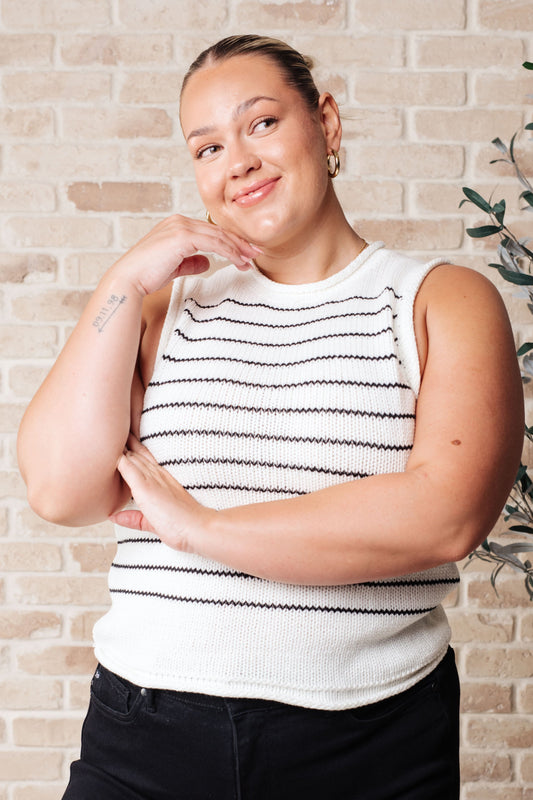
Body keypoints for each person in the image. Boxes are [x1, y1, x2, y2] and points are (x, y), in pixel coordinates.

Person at [17, 34, 523, 800]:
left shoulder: (440, 300)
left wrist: (202, 531)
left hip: (371, 743)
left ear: (325, 123)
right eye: (208, 146)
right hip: (144, 731)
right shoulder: (161, 307)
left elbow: (442, 516)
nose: (238, 161)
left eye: (261, 124)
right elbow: (62, 491)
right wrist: (122, 281)